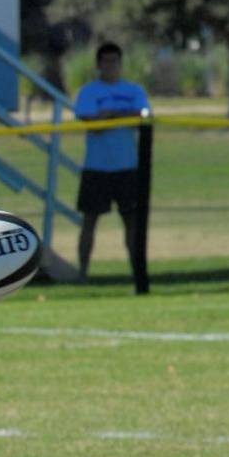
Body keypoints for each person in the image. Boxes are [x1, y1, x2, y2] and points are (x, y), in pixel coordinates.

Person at [73, 42, 151, 292]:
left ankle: (136, 274)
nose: (111, 66)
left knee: (132, 223)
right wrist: (118, 116)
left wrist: (109, 115)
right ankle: (83, 274)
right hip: (96, 168)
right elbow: (92, 121)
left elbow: (142, 117)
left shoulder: (134, 90)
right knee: (89, 221)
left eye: (115, 61)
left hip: (127, 168)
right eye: (106, 61)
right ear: (98, 65)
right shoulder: (89, 92)